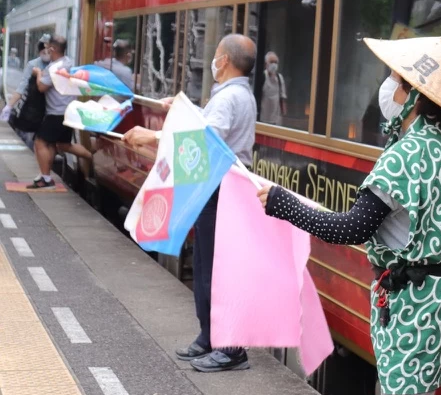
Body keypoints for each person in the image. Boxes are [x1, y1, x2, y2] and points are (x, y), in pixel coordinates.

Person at [259, 34, 441, 395]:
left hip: (418, 307)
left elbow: (351, 228)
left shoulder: (406, 155)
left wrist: (279, 201)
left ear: (414, 95)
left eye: (395, 79)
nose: (388, 87)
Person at [124, 34, 258, 372]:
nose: (214, 60)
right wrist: (185, 109)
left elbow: (207, 137)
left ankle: (230, 348)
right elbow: (210, 125)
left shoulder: (230, 98)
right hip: (219, 186)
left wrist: (151, 135)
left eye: (215, 54)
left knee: (217, 269)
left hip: (223, 188)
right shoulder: (234, 94)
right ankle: (209, 337)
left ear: (224, 59)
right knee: (205, 265)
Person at [28, 36, 94, 190]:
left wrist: (38, 73)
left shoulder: (55, 68)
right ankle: (92, 158)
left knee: (40, 141)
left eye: (48, 48)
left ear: (53, 49)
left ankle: (46, 178)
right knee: (62, 144)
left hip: (56, 112)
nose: (46, 51)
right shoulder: (68, 62)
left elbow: (41, 87)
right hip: (67, 111)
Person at [259, 51, 286, 126]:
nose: (274, 64)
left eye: (276, 62)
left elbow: (282, 96)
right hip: (263, 118)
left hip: (276, 119)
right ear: (266, 64)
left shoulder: (280, 78)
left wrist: (283, 110)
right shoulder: (262, 76)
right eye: (271, 62)